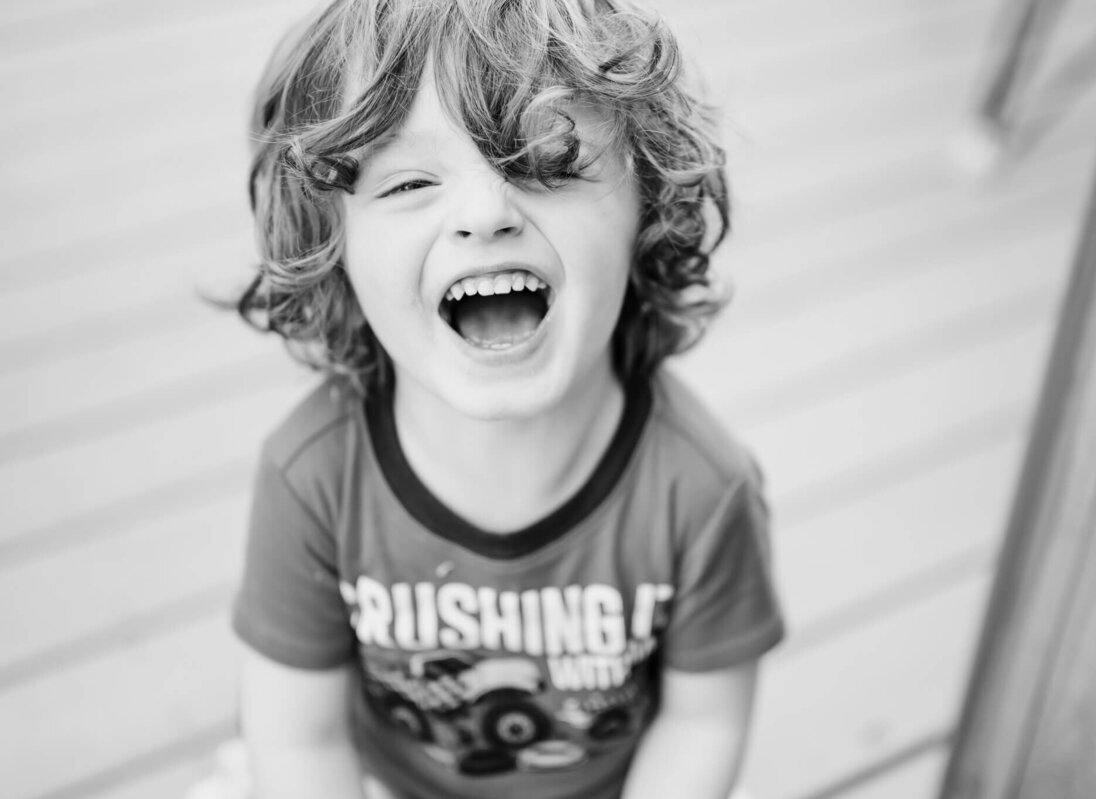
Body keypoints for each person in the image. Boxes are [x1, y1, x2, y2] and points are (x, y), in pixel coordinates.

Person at [216, 0, 786, 797]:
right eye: (411, 181)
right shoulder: (312, 476)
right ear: (331, 246)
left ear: (646, 212)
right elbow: (299, 738)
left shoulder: (702, 488)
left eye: (549, 164)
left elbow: (702, 722)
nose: (486, 214)